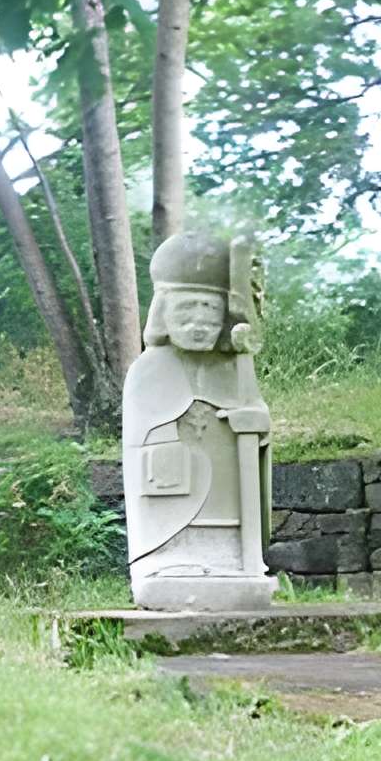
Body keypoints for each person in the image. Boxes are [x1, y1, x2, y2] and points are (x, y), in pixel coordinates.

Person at [122, 231, 275, 611]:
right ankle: (167, 562)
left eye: (210, 312)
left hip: (228, 494)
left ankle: (240, 559)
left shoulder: (235, 366)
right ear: (163, 313)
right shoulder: (149, 369)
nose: (199, 323)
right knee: (173, 538)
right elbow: (142, 439)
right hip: (174, 494)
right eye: (187, 311)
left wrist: (255, 422)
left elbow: (258, 417)